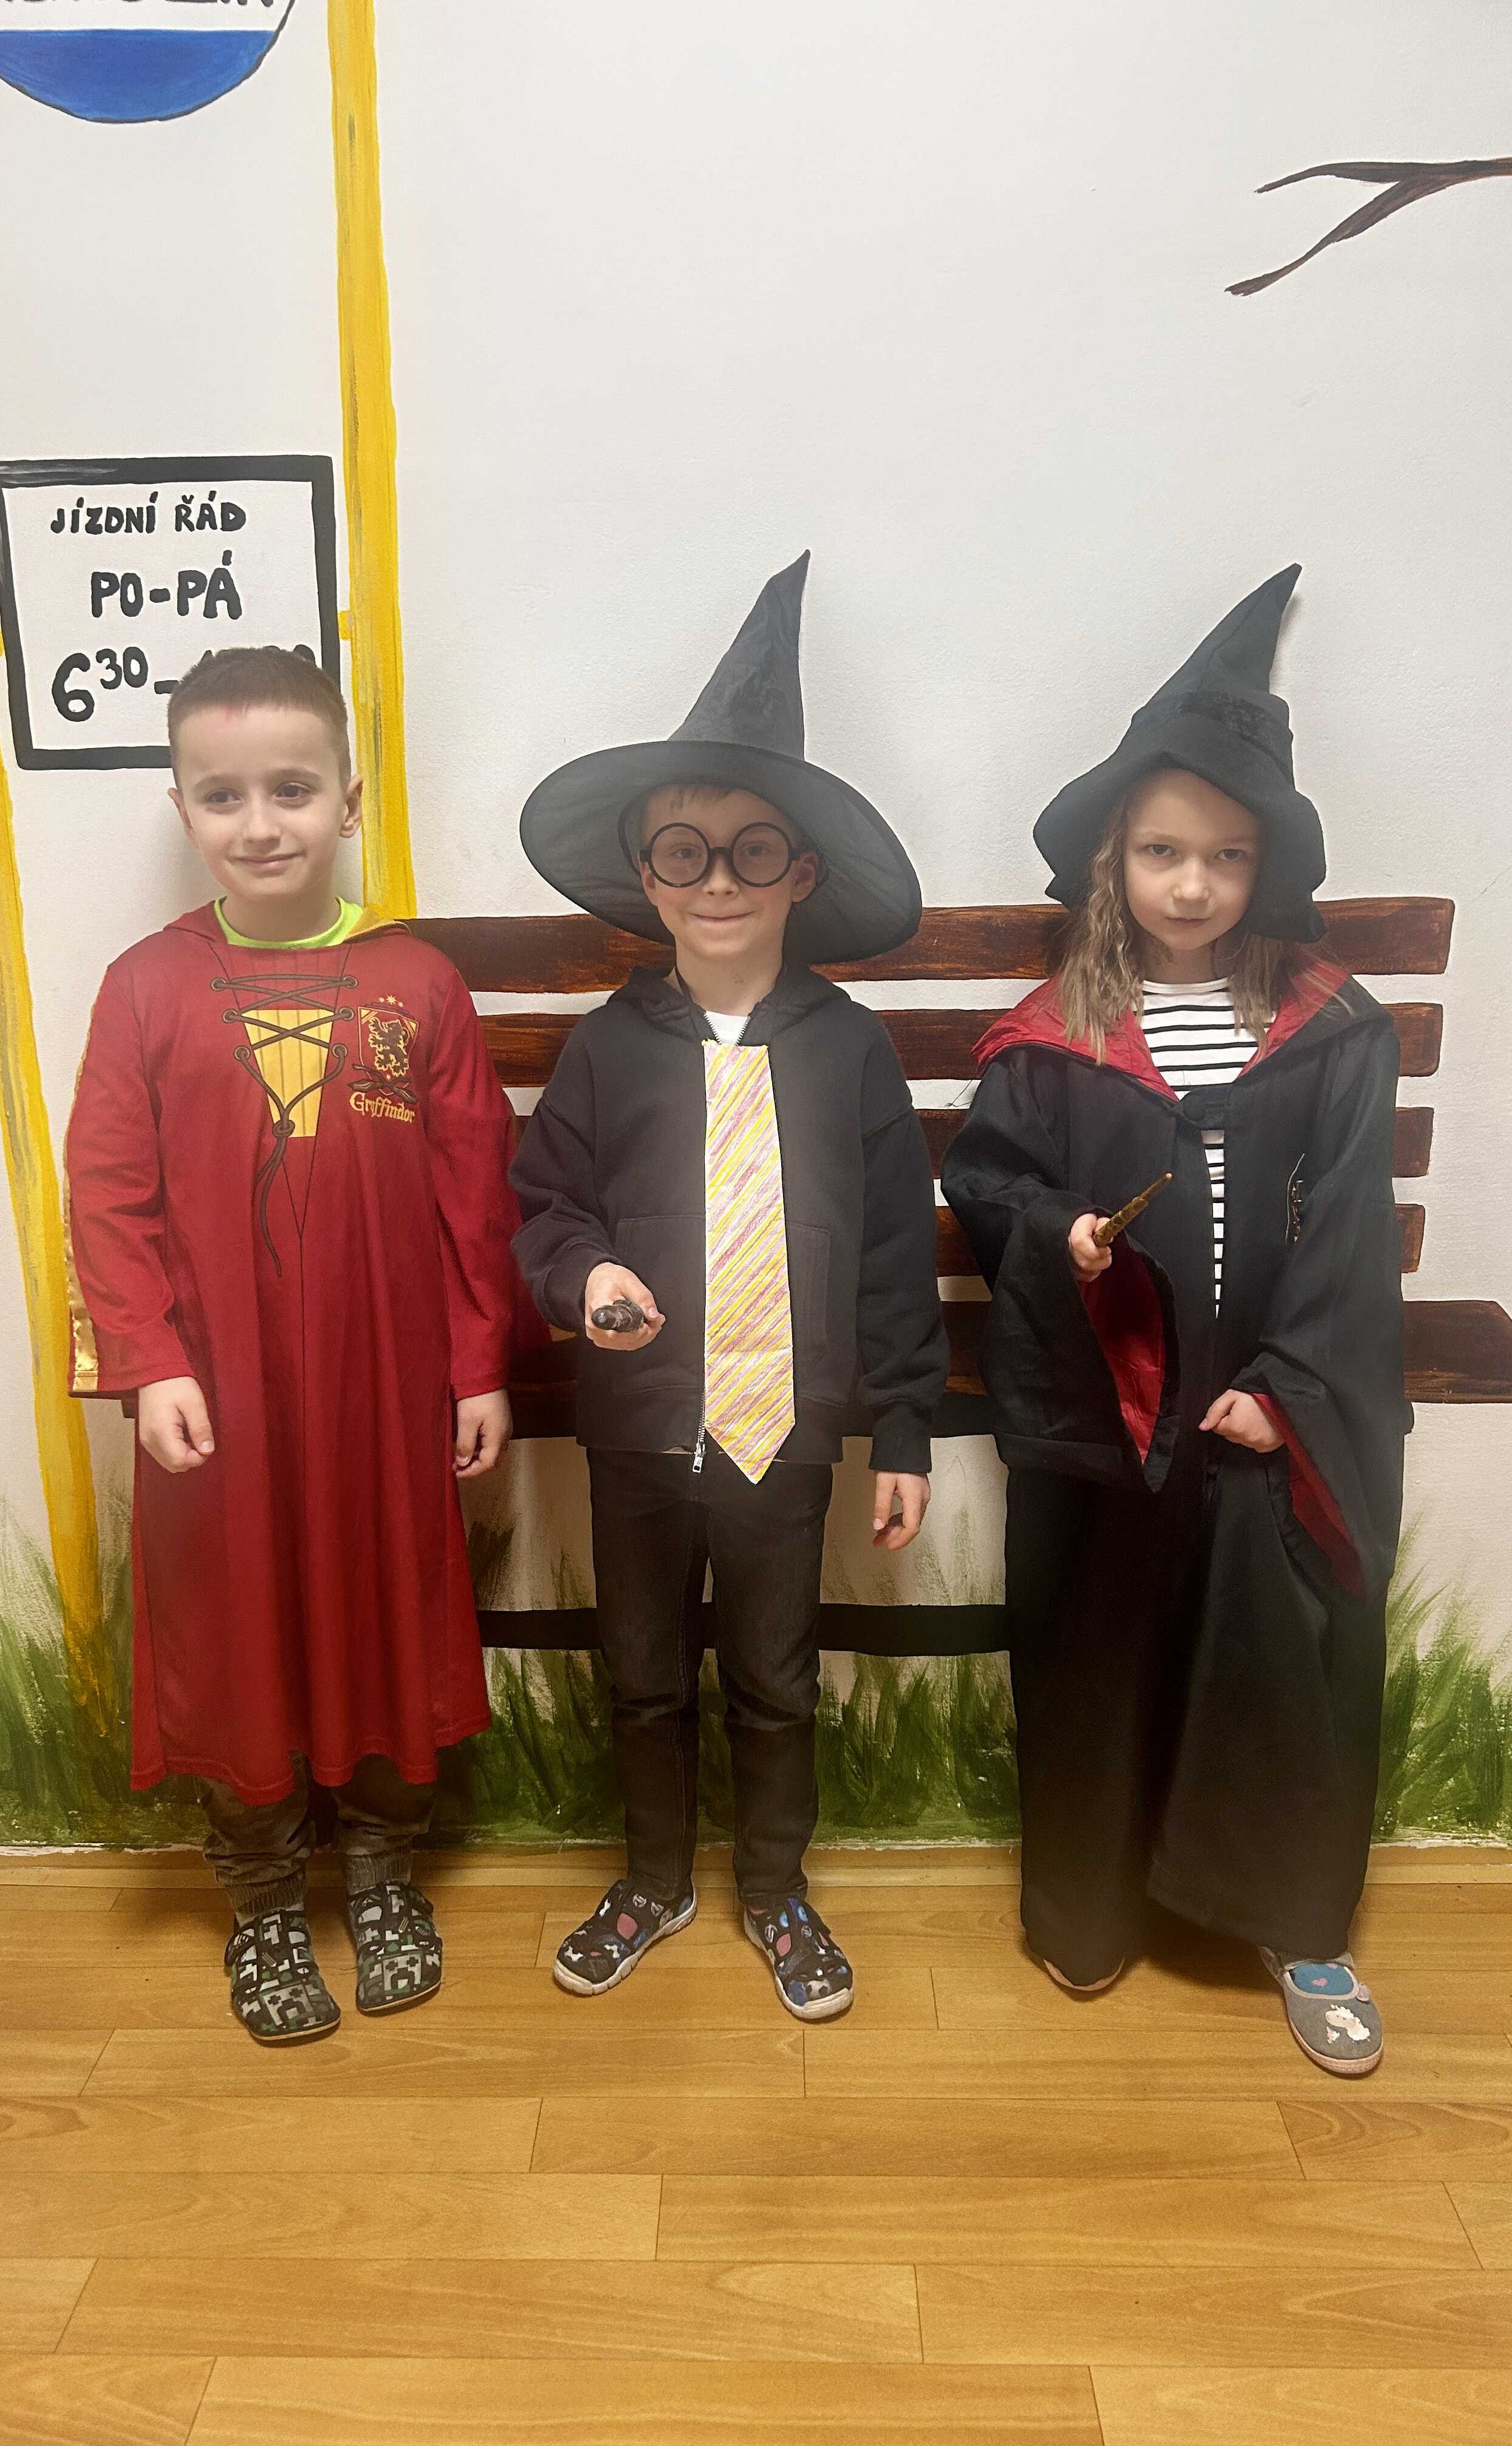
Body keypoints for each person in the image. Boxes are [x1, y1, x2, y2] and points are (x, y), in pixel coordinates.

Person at [942, 568, 1407, 2077]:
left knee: (1280, 1658)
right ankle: (1091, 1902)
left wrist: (1291, 1384)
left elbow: (1348, 1233)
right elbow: (988, 1182)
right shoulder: (1056, 1034)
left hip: (1267, 1404)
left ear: (1265, 866)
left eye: (1225, 854)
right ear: (1114, 860)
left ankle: (1296, 1922)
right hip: (1109, 1402)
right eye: (1161, 851)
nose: (1192, 884)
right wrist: (1056, 1238)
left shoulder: (1331, 1033)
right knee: (1098, 1644)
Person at [511, 554, 948, 2021]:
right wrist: (585, 1271)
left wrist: (901, 1426)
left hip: (786, 1434)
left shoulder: (850, 1052)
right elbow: (545, 1204)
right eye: (685, 852)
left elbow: (892, 1254)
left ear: (801, 873)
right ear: (645, 874)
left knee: (775, 1674)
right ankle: (653, 1877)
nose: (716, 881)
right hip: (640, 1429)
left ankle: (775, 1888)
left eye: (752, 852)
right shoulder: (606, 1048)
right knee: (643, 1670)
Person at [66, 645, 520, 2045]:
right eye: (223, 795)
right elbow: (108, 1192)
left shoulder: (416, 983)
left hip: (384, 1393)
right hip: (216, 1401)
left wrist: (479, 1364)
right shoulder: (145, 986)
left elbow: (474, 1193)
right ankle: (262, 1899)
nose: (259, 823)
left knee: (386, 1604)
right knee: (232, 1626)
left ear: (349, 799)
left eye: (291, 789)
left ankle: (383, 1872)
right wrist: (150, 1359)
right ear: (184, 808)